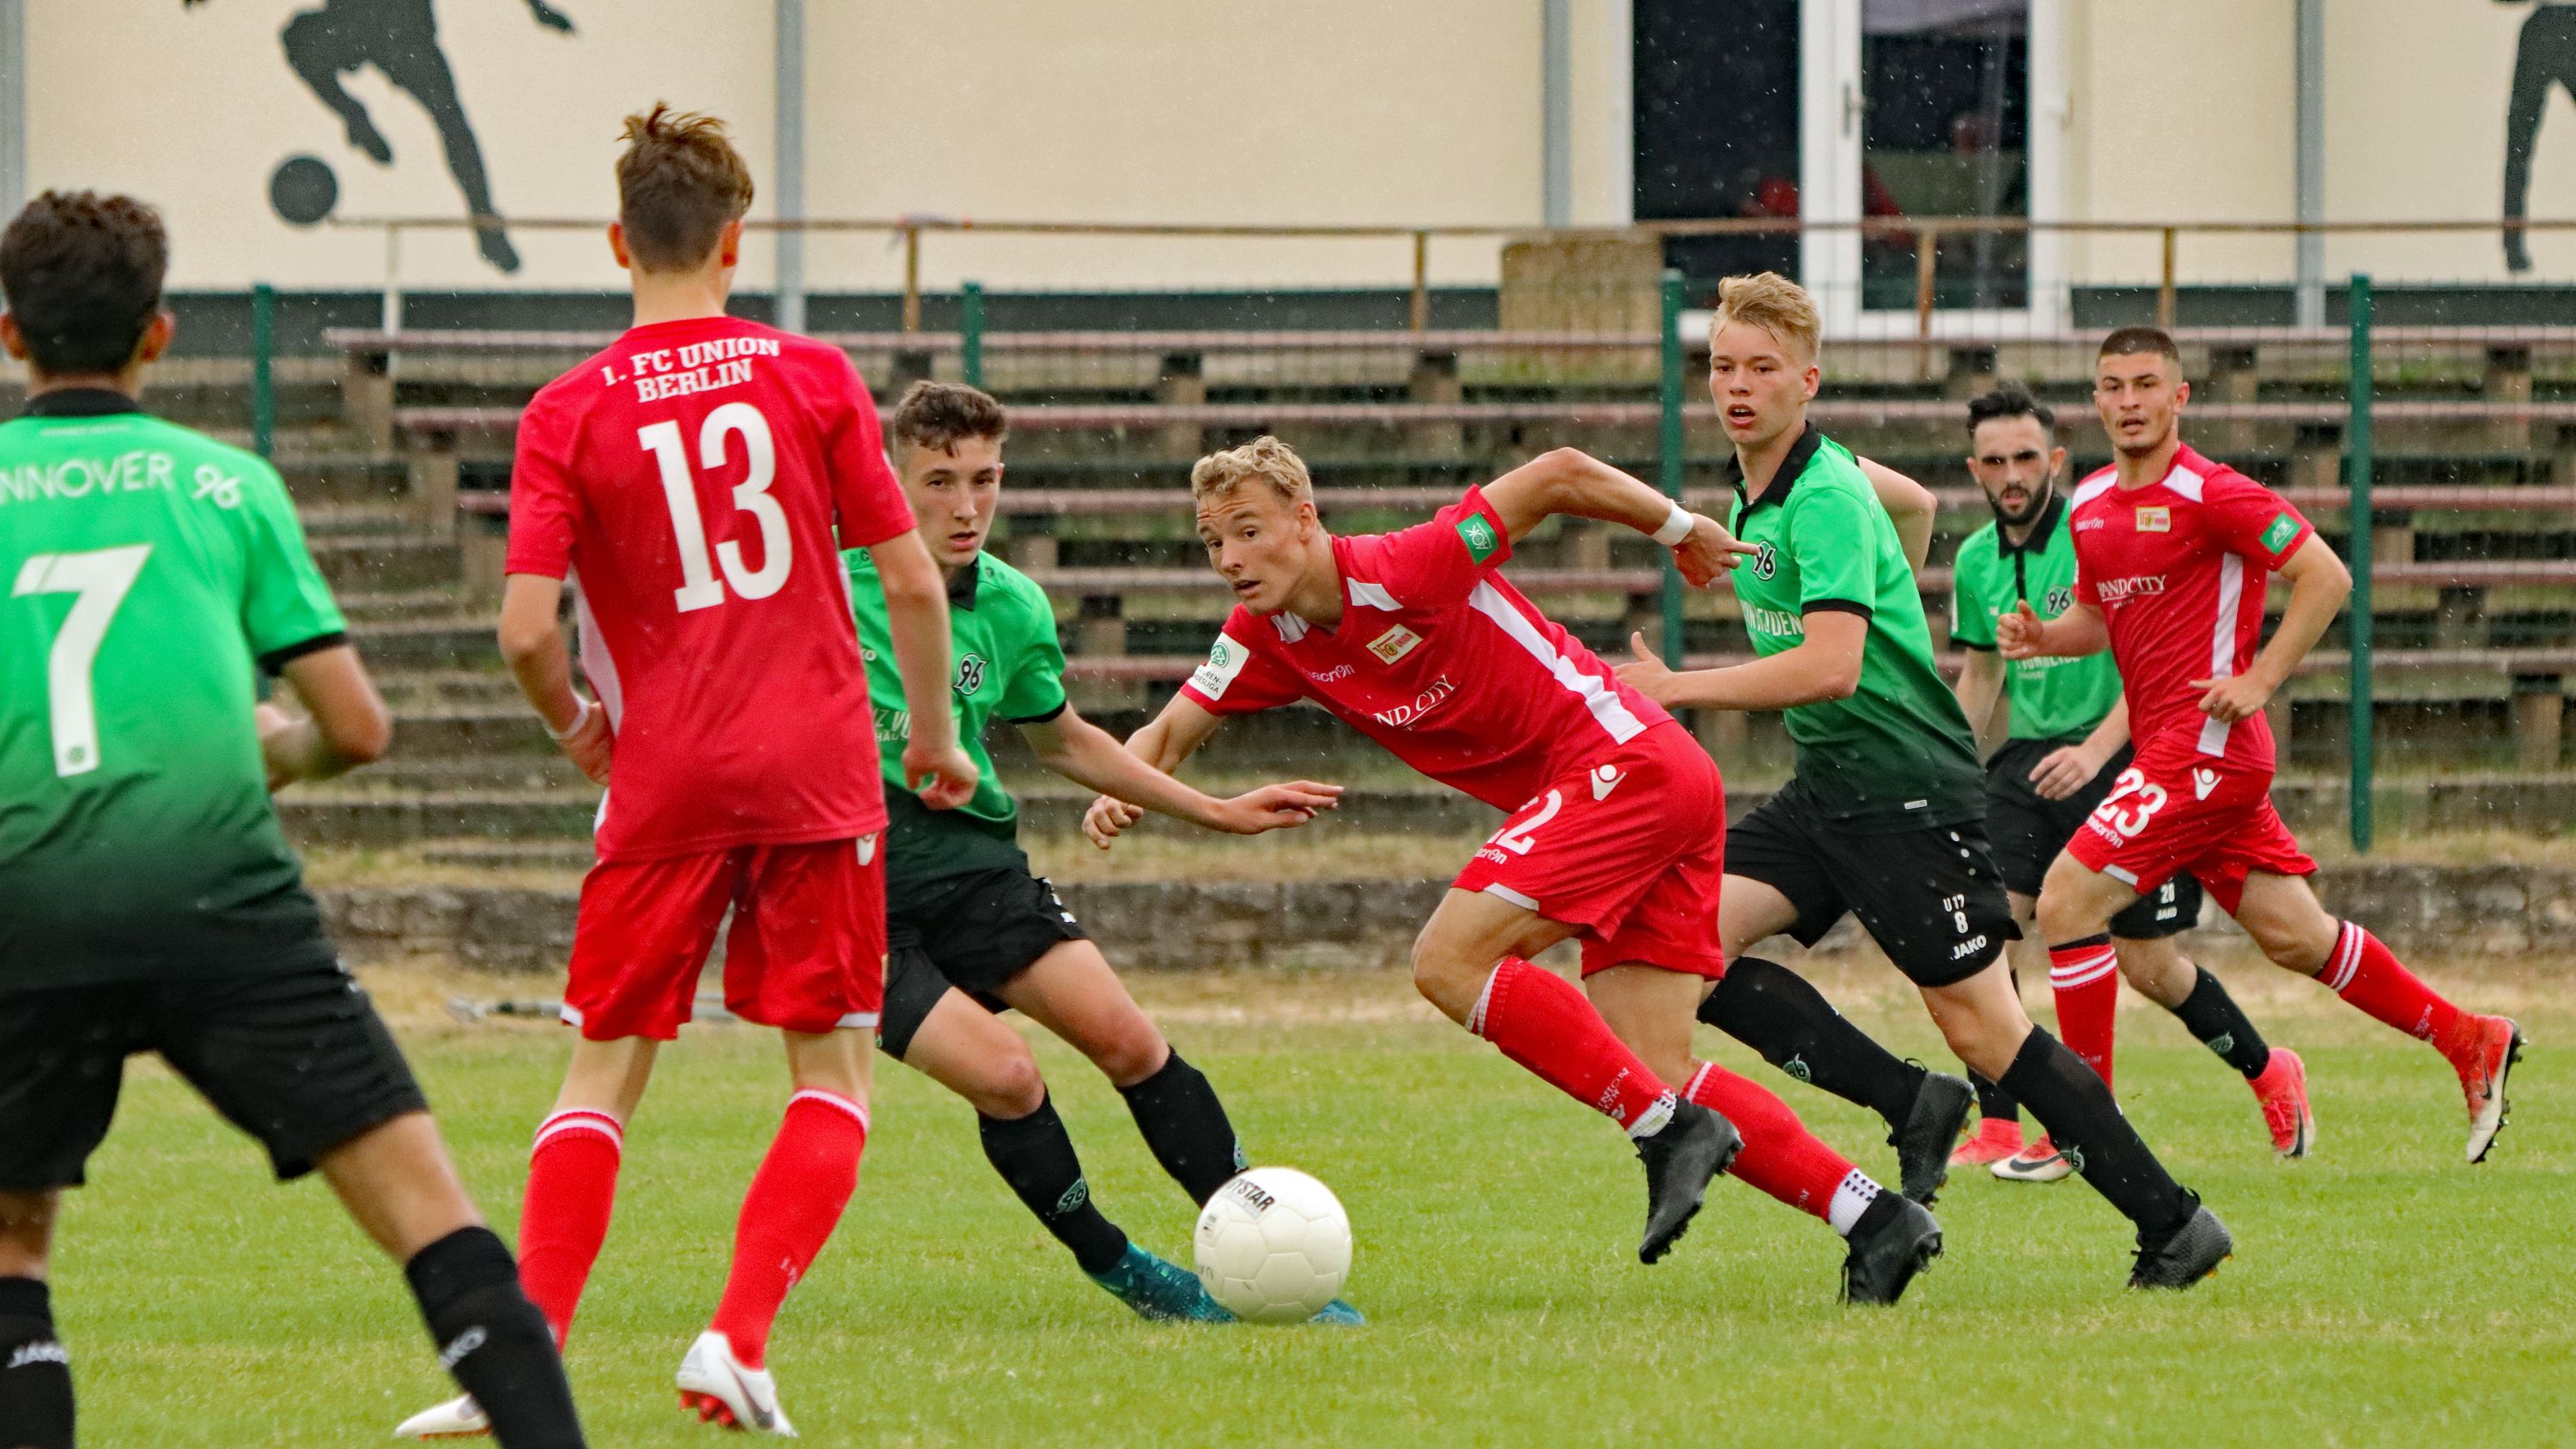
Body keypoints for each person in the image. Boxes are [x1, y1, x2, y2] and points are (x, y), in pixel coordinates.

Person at [396, 105, 976, 1440]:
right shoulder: (814, 377)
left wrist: (577, 727)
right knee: (829, 1077)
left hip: (663, 778)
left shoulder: (566, 411)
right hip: (818, 774)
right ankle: (736, 1339)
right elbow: (908, 581)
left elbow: (526, 629)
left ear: (616, 243)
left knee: (599, 1076)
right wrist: (932, 737)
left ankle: (521, 1367)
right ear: (736, 239)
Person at [1085, 436, 1944, 1306]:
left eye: (1247, 530)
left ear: (1304, 520)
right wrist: (1119, 788)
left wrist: (1680, 526)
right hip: (1649, 779)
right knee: (1652, 1059)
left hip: (1624, 762)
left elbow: (1562, 471)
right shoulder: (1265, 635)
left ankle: (1666, 1132)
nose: (1229, 557)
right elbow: (1165, 732)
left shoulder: (1402, 566)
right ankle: (1875, 1217)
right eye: (1210, 541)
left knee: (1448, 960)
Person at [0, 190, 585, 1449]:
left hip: (24, 914)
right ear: (158, 337)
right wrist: (271, 750)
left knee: (12, 1257)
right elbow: (356, 727)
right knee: (435, 1222)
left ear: (8, 335)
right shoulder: (225, 486)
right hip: (226, 907)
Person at [1618, 273, 2231, 1289]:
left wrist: (1677, 684)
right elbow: (1911, 501)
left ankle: (2174, 1223)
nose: (1738, 386)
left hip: (1908, 789)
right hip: (1830, 786)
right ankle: (1911, 1101)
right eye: (1724, 366)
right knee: (1675, 934)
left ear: (1807, 381)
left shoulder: (1816, 496)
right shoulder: (1782, 482)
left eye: (1763, 369)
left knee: (1987, 1029)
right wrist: (1890, 568)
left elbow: (1833, 665)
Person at [852, 382, 1354, 1322]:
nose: (967, 506)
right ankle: (1123, 1267)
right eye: (940, 480)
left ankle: (1256, 1244)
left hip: (974, 871)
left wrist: (1215, 809)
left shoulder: (1010, 605)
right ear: (894, 480)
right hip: (848, 896)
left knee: (1129, 1039)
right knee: (1008, 1075)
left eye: (986, 478)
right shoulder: (826, 586)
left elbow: (1067, 740)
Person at [2001, 327, 2524, 1167]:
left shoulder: (2215, 492)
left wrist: (2261, 678)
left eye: (2147, 384)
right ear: (2095, 400)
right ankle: (2471, 1038)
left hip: (2206, 747)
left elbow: (2327, 576)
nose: (2129, 400)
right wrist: (2042, 635)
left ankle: (2081, 1128)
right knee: (2297, 938)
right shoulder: (2092, 503)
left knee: (2063, 901)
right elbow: (2100, 622)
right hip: (2176, 754)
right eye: (2113, 385)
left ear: (2180, 397)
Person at [1947, 384, 2313, 1182]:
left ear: (2054, 460)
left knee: (2149, 965)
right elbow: (1980, 677)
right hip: (2023, 767)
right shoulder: (1974, 558)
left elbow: (2141, 658)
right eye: (1995, 461)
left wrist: (2097, 748)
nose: (2011, 475)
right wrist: (1946, 764)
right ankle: (2007, 1124)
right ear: (1975, 469)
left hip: (2121, 756)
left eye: (2025, 458)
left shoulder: (2097, 521)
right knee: (1987, 930)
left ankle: (2266, 1069)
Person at [184, 0, 572, 271]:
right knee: (451, 121)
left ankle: (482, 218)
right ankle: (357, 117)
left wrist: (537, 7)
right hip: (394, 33)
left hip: (376, 30)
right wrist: (537, 9)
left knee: (450, 120)